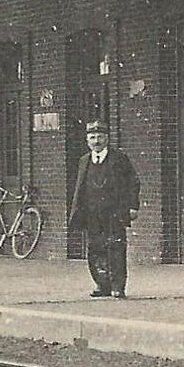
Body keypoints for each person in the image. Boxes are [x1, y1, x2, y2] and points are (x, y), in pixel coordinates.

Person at [69, 120, 140, 298]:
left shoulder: (119, 158)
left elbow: (133, 182)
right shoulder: (84, 161)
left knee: (116, 247)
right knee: (95, 249)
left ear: (107, 138)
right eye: (92, 137)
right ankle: (102, 284)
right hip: (92, 213)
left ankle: (118, 286)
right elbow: (80, 187)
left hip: (114, 212)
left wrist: (132, 206)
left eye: (100, 137)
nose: (96, 141)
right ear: (87, 140)